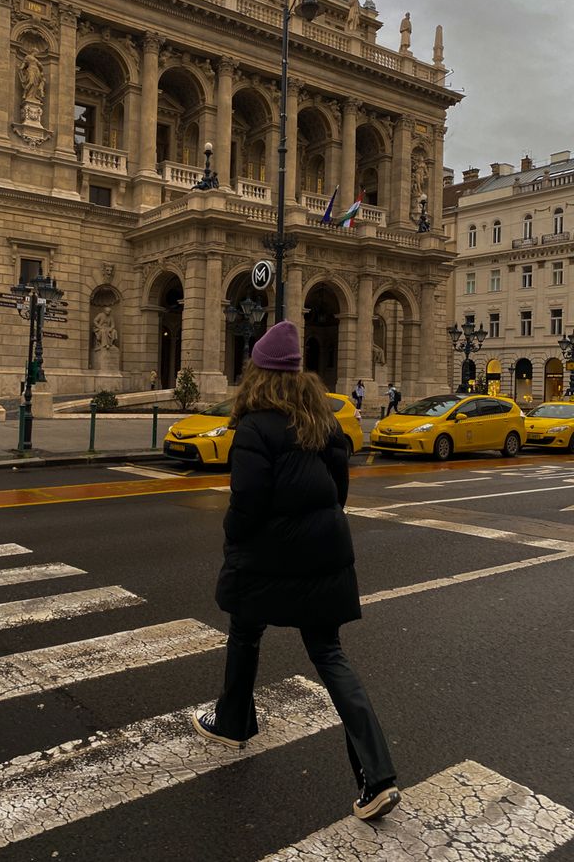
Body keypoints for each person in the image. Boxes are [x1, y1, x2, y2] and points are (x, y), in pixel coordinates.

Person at [192, 320, 400, 822]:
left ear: (258, 374)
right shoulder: (323, 420)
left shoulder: (254, 426)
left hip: (270, 554)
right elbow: (338, 490)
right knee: (328, 653)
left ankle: (233, 722)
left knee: (245, 629)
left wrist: (235, 538)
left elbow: (249, 502)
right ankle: (378, 776)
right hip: (325, 547)